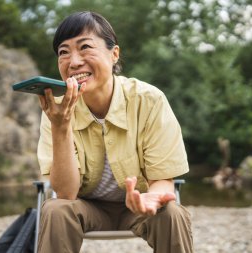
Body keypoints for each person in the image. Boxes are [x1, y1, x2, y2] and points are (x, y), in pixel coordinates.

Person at [37, 11, 193, 253]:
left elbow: (163, 180)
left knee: (172, 213)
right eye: (63, 52)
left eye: (85, 47)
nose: (74, 62)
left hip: (139, 206)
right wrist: (61, 126)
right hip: (87, 207)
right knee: (54, 209)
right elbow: (66, 194)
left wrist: (151, 198)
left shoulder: (149, 100)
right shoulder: (56, 110)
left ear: (114, 54)